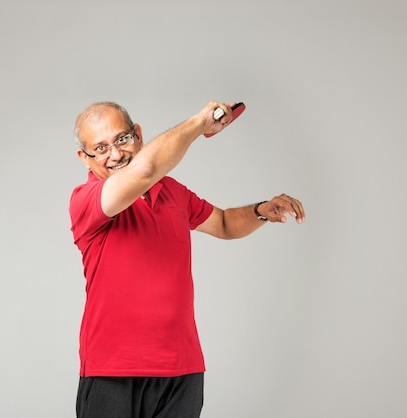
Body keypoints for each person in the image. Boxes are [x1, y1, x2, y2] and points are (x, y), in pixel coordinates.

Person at [69, 100, 305, 418]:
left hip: (182, 370)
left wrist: (260, 211)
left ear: (137, 134)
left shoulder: (172, 192)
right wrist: (199, 123)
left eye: (121, 139)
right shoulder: (87, 201)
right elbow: (146, 169)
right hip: (114, 372)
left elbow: (222, 223)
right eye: (100, 148)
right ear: (85, 158)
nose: (115, 154)